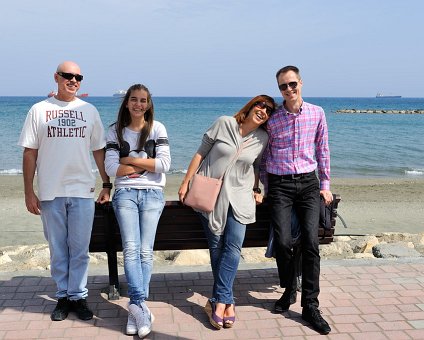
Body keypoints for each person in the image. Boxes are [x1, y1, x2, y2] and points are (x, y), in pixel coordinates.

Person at [18, 61, 111, 321]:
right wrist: (29, 191)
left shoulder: (89, 111)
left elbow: (98, 150)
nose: (73, 80)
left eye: (78, 76)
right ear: (56, 77)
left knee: (80, 248)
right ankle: (62, 296)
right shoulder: (39, 110)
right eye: (68, 75)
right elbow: (29, 152)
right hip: (50, 190)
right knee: (58, 248)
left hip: (82, 189)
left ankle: (78, 297)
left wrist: (106, 183)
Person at [178, 95, 275, 330]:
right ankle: (227, 301)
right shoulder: (224, 123)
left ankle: (219, 301)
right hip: (210, 195)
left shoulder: (262, 138)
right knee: (217, 247)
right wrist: (185, 181)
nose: (263, 110)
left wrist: (258, 188)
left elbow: (257, 166)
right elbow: (200, 153)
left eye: (269, 110)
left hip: (240, 197)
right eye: (261, 105)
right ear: (251, 105)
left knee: (233, 247)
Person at [260, 65, 333, 335]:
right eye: (283, 86)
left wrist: (325, 185)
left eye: (292, 84)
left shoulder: (317, 113)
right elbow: (264, 157)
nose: (288, 89)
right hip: (280, 186)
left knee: (311, 244)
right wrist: (265, 187)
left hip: (308, 184)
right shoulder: (273, 118)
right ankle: (290, 289)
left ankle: (310, 305)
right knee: (281, 242)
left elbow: (322, 149)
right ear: (279, 89)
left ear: (301, 83)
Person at [104, 84, 171, 338]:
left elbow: (164, 164)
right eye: (134, 100)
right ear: (127, 103)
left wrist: (129, 160)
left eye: (143, 100)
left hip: (153, 195)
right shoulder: (115, 131)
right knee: (131, 249)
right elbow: (111, 168)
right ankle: (139, 304)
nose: (138, 104)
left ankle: (136, 307)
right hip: (125, 195)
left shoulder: (158, 128)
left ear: (149, 104)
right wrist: (146, 166)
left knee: (146, 251)